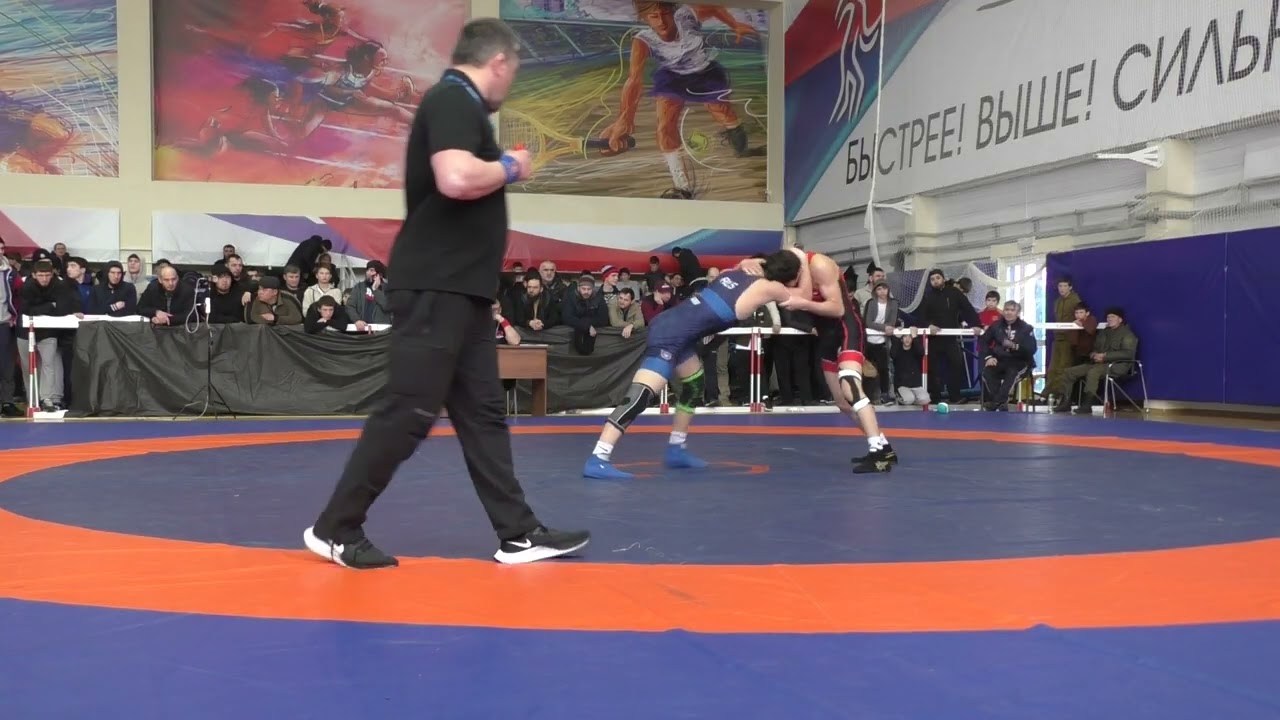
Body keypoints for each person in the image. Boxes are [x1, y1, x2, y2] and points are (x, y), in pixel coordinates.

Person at [304, 19, 590, 569]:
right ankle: (335, 527)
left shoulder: (459, 105)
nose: (511, 81)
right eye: (514, 70)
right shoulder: (453, 99)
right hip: (438, 285)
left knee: (483, 413)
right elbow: (455, 178)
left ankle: (518, 533)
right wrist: (512, 165)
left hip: (462, 291)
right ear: (499, 62)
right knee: (410, 407)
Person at [584, 248, 809, 479]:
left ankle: (676, 448)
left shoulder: (735, 272)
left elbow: (757, 263)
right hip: (669, 335)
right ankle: (598, 458)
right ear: (790, 276)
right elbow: (805, 295)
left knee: (693, 384)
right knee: (639, 397)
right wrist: (804, 259)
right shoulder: (771, 287)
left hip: (678, 330)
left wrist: (747, 262)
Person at [748, 250, 895, 473]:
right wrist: (745, 263)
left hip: (846, 329)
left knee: (851, 388)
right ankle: (884, 446)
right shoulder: (780, 263)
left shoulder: (820, 265)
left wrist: (802, 302)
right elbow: (757, 265)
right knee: (842, 403)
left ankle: (878, 455)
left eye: (792, 283)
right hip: (826, 335)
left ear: (798, 272)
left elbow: (837, 308)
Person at [978, 300, 1037, 411]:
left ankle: (996, 402)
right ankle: (1001, 402)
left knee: (1012, 372)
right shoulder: (996, 326)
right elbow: (984, 341)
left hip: (1020, 361)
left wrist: (1015, 346)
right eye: (1006, 310)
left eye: (1012, 310)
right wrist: (989, 357)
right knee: (987, 371)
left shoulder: (1026, 328)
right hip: (1000, 359)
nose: (1009, 312)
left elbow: (1032, 349)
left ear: (1018, 313)